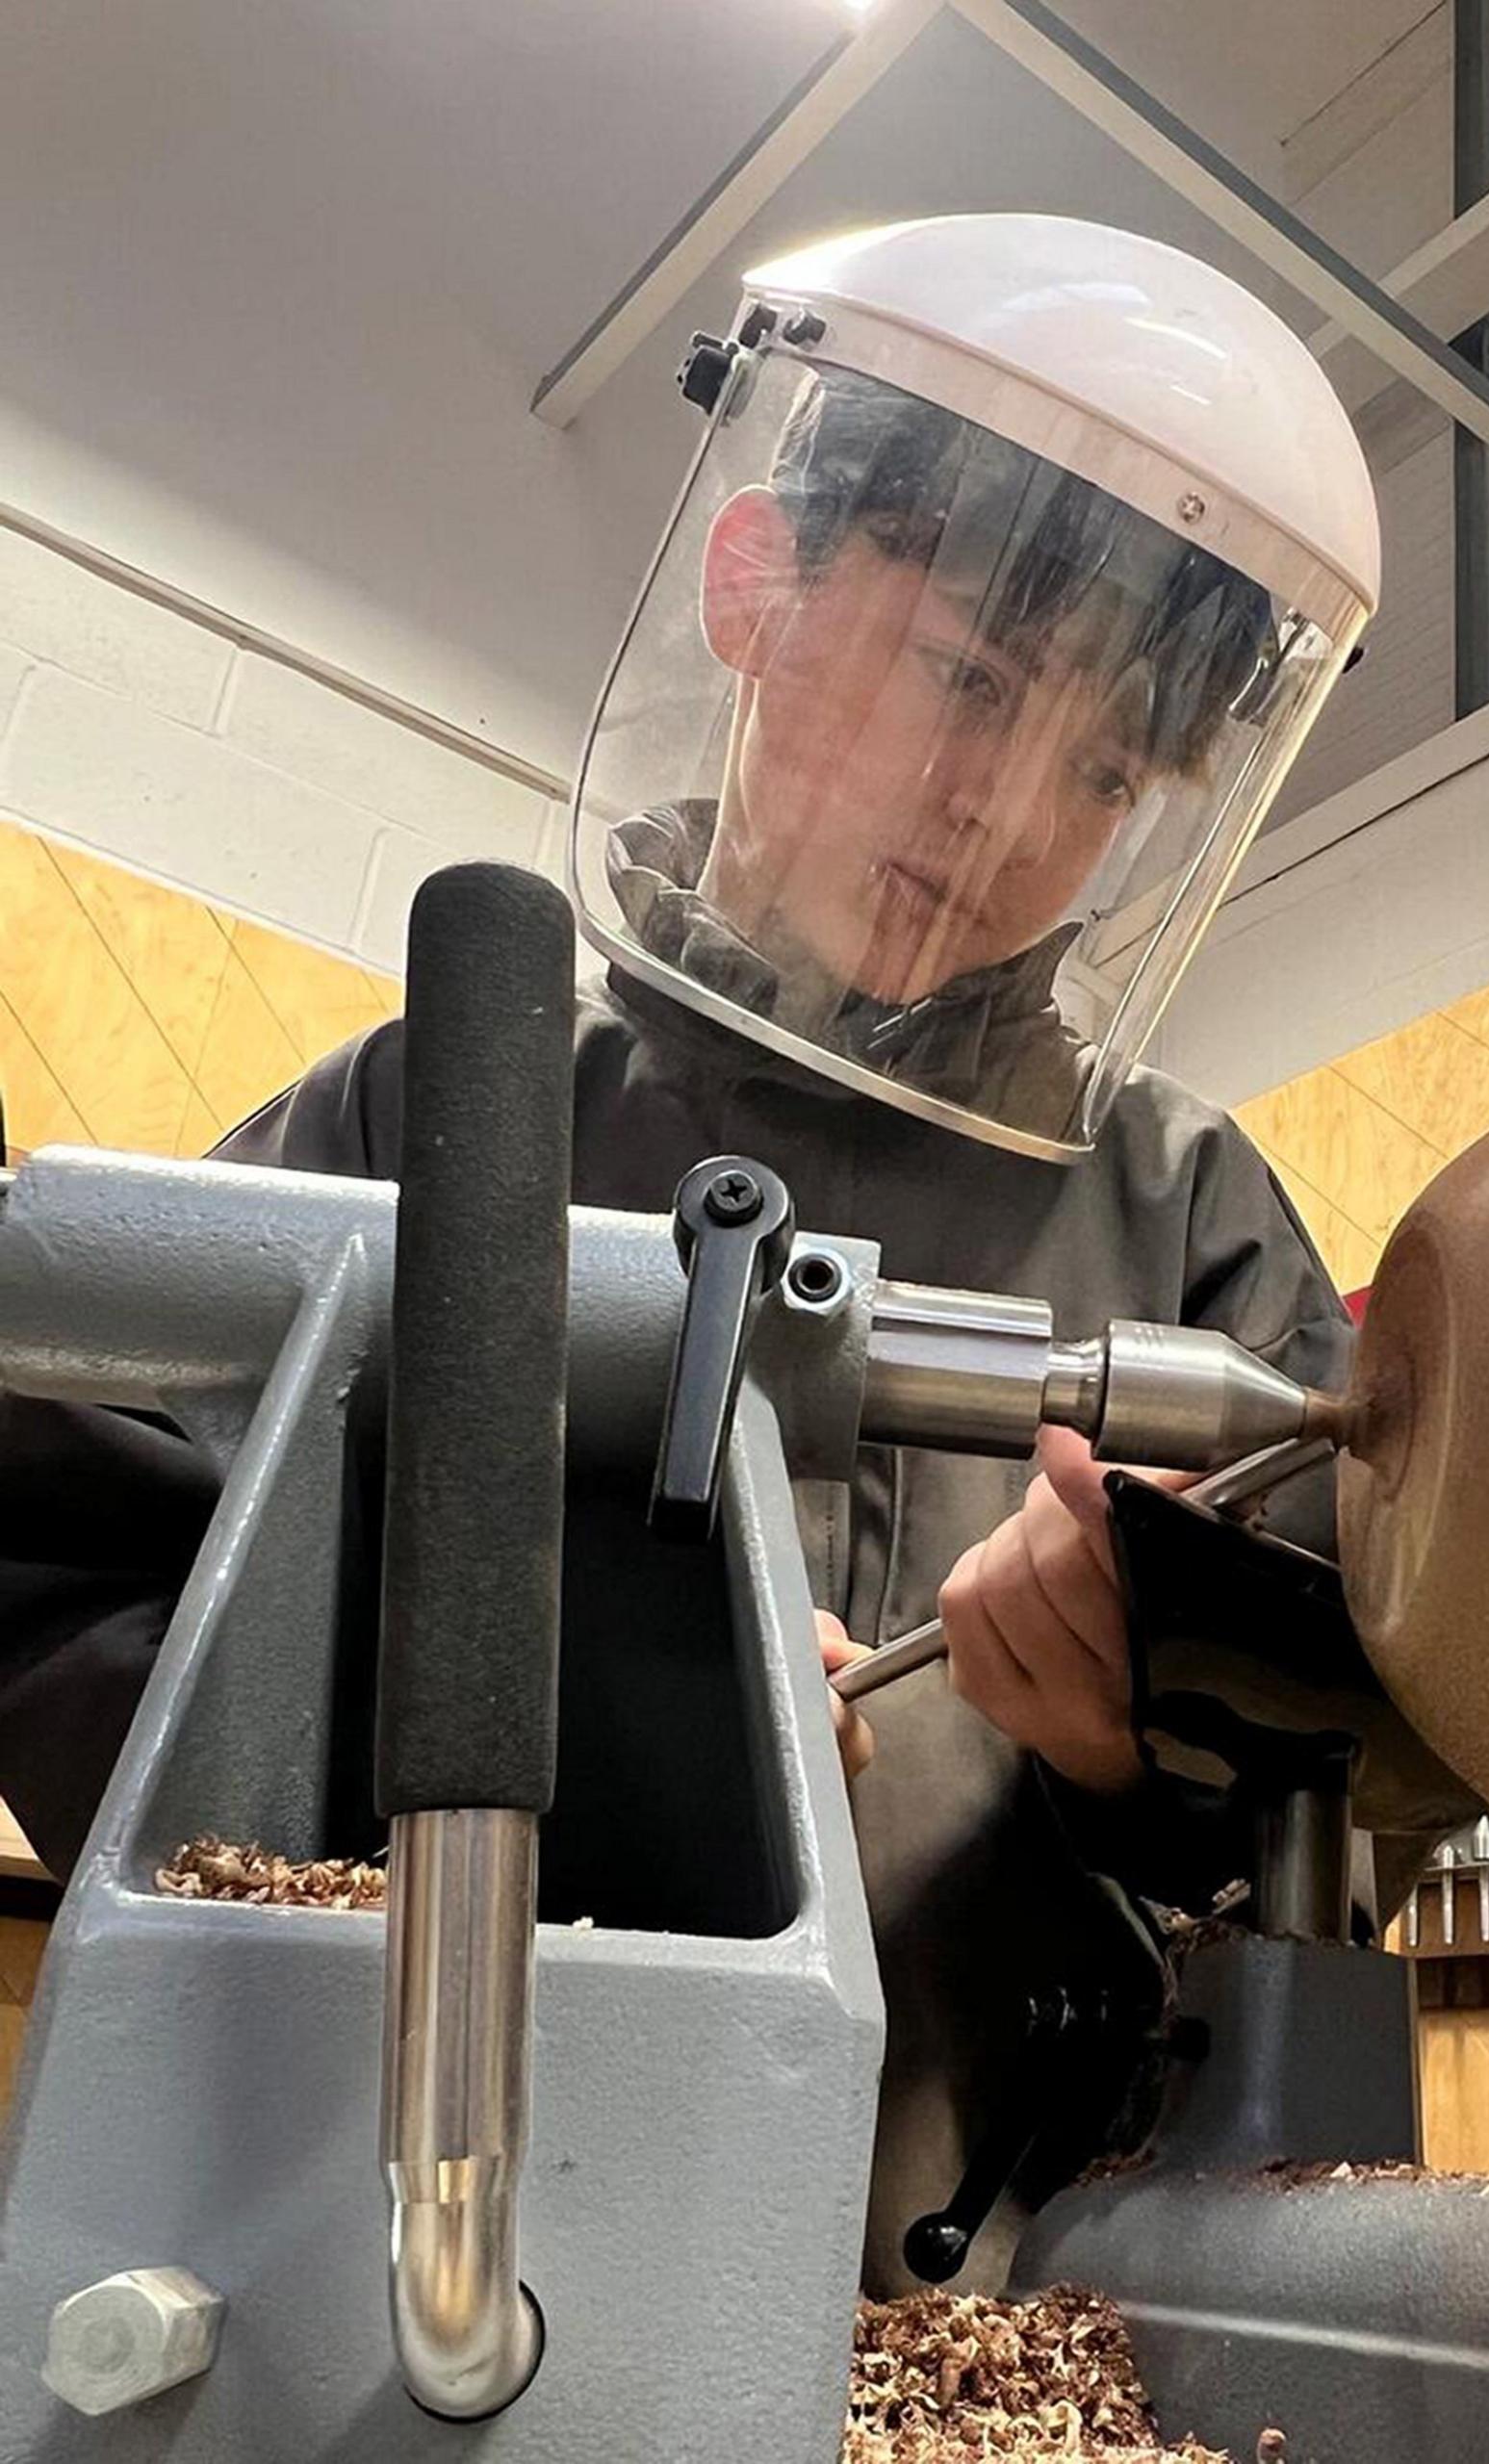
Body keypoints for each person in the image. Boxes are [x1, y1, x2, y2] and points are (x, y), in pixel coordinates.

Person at [0, 215, 1405, 2289]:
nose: (1010, 809)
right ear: (753, 589)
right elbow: (69, 1578)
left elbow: (1361, 1792)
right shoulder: (432, 1112)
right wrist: (490, 1703)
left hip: (1019, 2309)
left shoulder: (1186, 1215)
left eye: (1106, 764)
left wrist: (1145, 1741)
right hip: (422, 2240)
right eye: (970, 676)